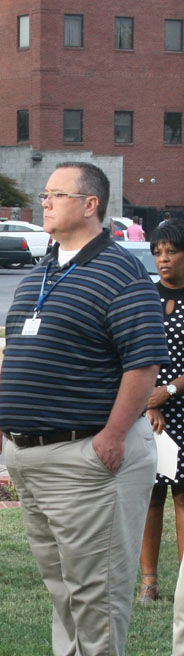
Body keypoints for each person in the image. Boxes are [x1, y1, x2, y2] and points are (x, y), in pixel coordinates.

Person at [0, 162, 167, 656]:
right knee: (61, 577)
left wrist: (112, 436)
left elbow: (144, 362)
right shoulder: (41, 272)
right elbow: (14, 352)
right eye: (45, 193)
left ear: (90, 205)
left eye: (56, 194)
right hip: (31, 451)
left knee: (98, 578)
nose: (44, 202)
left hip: (88, 454)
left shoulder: (120, 272)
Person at [138, 222, 184, 604]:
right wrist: (148, 403)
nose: (163, 259)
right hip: (150, 413)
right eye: (157, 252)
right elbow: (137, 353)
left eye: (171, 251)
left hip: (180, 406)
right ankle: (148, 582)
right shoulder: (147, 297)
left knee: (183, 498)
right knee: (149, 497)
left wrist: (166, 392)